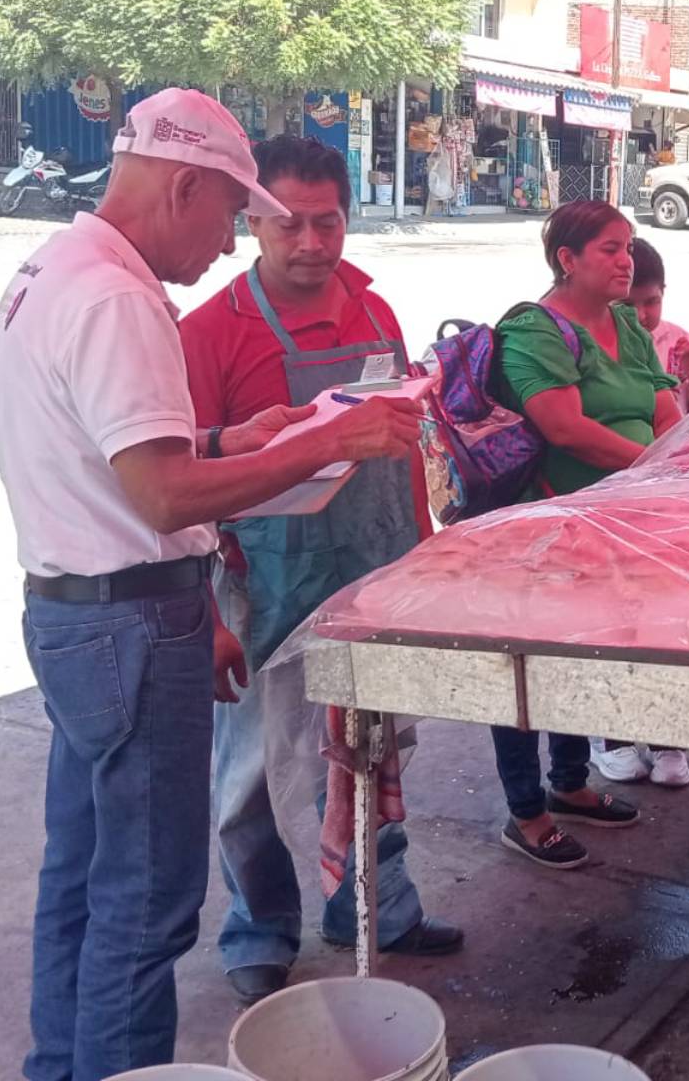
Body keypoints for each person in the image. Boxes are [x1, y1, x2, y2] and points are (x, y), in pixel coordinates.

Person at [0, 89, 423, 1081]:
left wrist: (234, 437)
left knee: (81, 879)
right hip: (130, 622)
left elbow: (122, 453)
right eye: (234, 215)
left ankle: (61, 1065)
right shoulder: (121, 299)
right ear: (184, 187)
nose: (231, 243)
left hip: (78, 613)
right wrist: (322, 440)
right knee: (144, 904)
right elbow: (162, 493)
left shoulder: (55, 267)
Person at [178, 136, 463, 1008]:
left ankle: (375, 906)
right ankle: (259, 927)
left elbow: (407, 440)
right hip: (262, 585)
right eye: (288, 224)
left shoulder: (375, 311)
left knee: (377, 750)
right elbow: (178, 488)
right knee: (250, 774)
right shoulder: (208, 333)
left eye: (328, 222)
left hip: (373, 568)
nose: (311, 243)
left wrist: (424, 553)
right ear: (252, 222)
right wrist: (208, 619)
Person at [487, 201, 686, 869]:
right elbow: (565, 428)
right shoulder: (533, 329)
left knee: (581, 654)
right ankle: (527, 813)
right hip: (545, 528)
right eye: (609, 248)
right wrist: (653, 467)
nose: (626, 261)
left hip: (618, 522)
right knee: (522, 668)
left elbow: (663, 406)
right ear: (566, 259)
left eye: (628, 247)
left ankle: (570, 784)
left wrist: (674, 462)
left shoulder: (625, 321)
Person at [627, 237, 689, 414]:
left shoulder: (678, 341)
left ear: (663, 292)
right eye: (627, 305)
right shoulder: (597, 345)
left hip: (677, 431)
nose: (640, 316)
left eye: (652, 302)